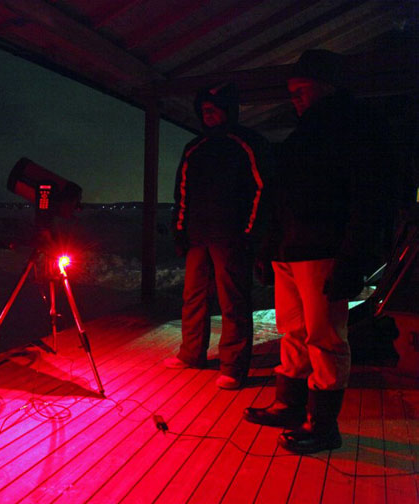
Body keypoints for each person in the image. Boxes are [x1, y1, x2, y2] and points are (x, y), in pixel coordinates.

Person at [244, 49, 390, 454]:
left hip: (325, 251)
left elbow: (368, 200)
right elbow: (281, 199)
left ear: (327, 86)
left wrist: (352, 259)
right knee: (292, 330)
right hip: (291, 251)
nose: (294, 99)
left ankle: (323, 425)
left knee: (325, 338)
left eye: (302, 90)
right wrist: (269, 248)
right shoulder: (302, 137)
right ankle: (290, 405)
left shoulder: (355, 130)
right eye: (292, 92)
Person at [165, 83, 270, 390]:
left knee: (233, 301)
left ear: (228, 110)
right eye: (204, 110)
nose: (208, 114)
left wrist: (250, 233)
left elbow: (262, 190)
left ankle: (234, 366)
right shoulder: (194, 148)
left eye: (214, 109)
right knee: (193, 297)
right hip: (198, 237)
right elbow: (182, 194)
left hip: (232, 238)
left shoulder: (247, 143)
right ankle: (191, 353)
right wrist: (180, 230)